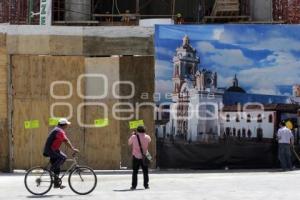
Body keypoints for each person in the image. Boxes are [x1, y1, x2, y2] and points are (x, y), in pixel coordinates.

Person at [43, 118, 79, 189]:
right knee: (63, 158)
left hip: (53, 150)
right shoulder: (59, 131)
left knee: (58, 167)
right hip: (50, 150)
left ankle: (56, 184)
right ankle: (51, 170)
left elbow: (64, 140)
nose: (67, 126)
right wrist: (73, 149)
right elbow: (66, 141)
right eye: (67, 125)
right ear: (64, 125)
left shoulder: (58, 129)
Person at [128, 126, 151, 190]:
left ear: (137, 131)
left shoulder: (133, 137)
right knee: (145, 171)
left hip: (136, 156)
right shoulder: (147, 137)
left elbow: (129, 143)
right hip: (145, 156)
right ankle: (146, 185)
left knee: (135, 172)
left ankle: (134, 186)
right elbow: (149, 141)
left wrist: (133, 135)